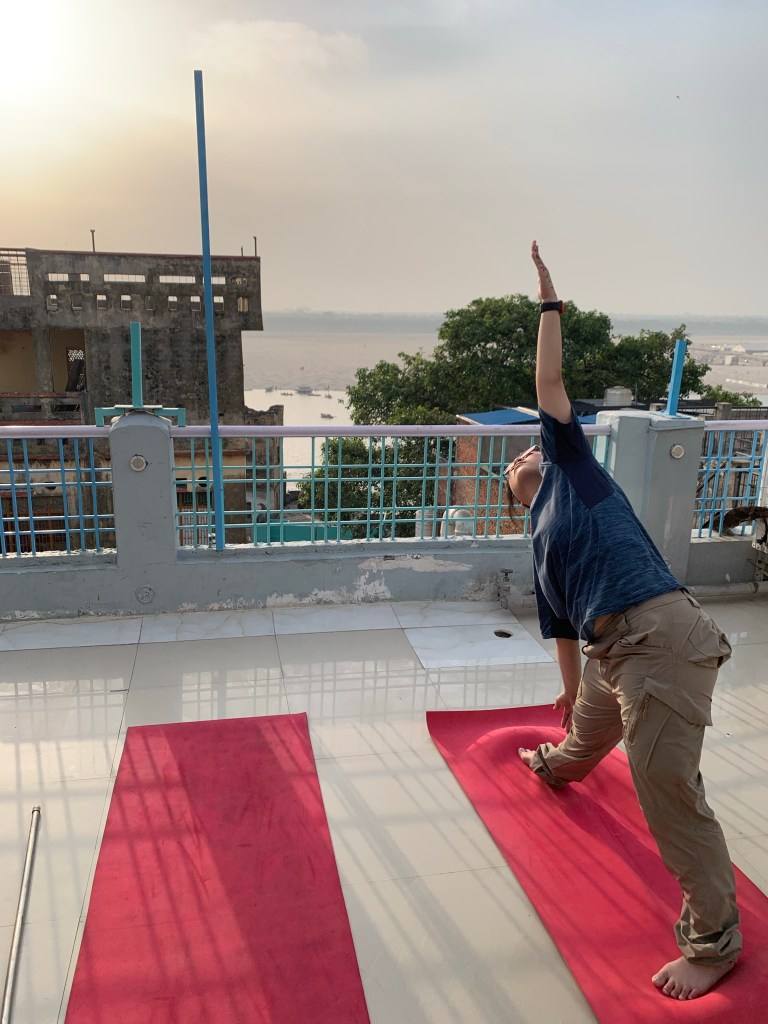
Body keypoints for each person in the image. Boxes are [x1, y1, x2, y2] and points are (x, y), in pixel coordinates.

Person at [504, 241, 741, 1001]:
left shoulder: (575, 468)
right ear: (516, 495)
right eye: (510, 465)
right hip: (612, 653)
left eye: (524, 451)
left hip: (663, 638)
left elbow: (548, 381)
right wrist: (569, 691)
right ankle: (561, 763)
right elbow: (562, 633)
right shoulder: (542, 547)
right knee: (584, 728)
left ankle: (713, 939)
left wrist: (549, 303)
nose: (519, 458)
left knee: (663, 785)